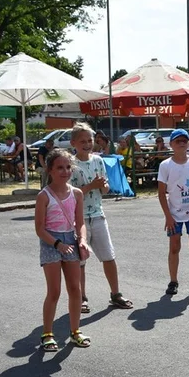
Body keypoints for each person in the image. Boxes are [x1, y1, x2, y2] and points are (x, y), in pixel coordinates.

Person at [68, 122, 133, 312]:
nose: (87, 144)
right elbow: (69, 193)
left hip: (97, 214)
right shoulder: (70, 164)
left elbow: (105, 189)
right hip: (78, 219)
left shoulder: (98, 161)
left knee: (108, 256)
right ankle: (81, 298)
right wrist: (91, 186)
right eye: (83, 141)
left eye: (90, 140)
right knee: (80, 260)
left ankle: (115, 294)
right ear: (74, 143)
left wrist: (102, 185)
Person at [34, 149, 92, 351]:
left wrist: (82, 240)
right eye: (60, 167)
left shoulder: (76, 194)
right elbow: (39, 229)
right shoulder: (44, 196)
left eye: (68, 167)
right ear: (50, 170)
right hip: (51, 241)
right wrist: (57, 244)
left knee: (75, 289)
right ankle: (47, 333)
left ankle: (75, 331)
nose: (65, 171)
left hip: (70, 239)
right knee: (54, 291)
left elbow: (80, 223)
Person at [157, 129, 189, 296]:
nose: (181, 143)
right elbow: (161, 193)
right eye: (177, 140)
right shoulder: (165, 165)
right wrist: (168, 216)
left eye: (184, 140)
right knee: (174, 247)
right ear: (171, 144)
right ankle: (173, 281)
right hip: (174, 214)